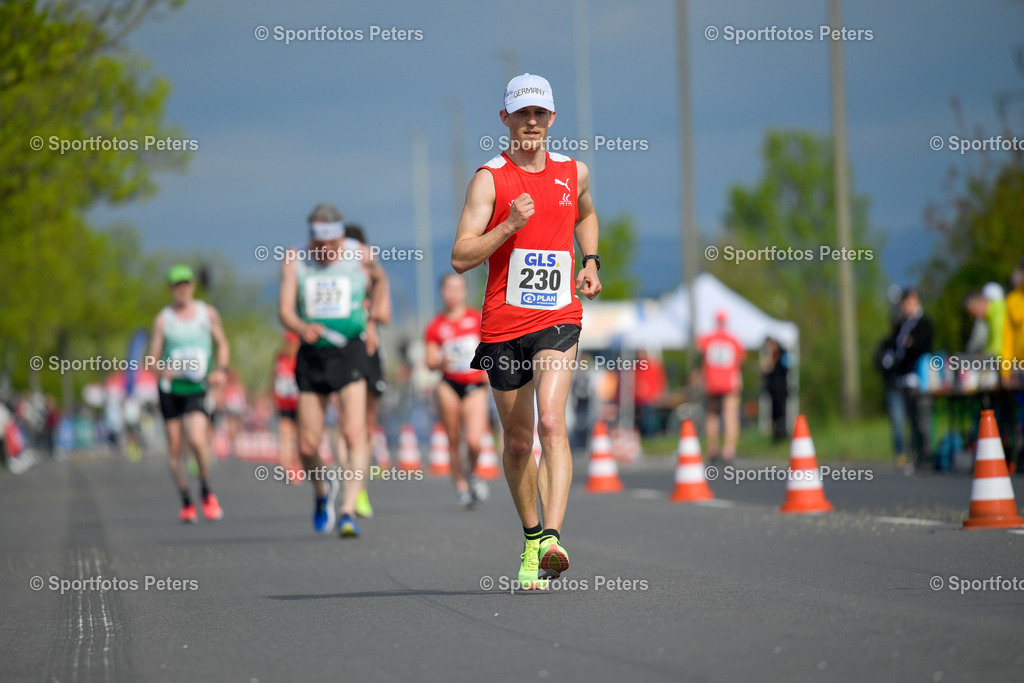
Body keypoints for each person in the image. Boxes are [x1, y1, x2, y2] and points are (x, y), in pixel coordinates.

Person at [452, 73, 601, 590]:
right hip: (502, 324)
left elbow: (586, 214)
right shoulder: (489, 180)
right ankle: (533, 538)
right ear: (505, 120)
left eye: (540, 113)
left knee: (552, 423)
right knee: (518, 444)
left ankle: (554, 539)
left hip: (559, 315)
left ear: (553, 118)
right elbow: (459, 257)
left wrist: (591, 260)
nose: (531, 122)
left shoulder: (573, 171)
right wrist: (508, 227)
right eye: (522, 114)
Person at [278, 204, 387, 537]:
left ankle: (348, 510)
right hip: (313, 354)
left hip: (350, 350)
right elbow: (284, 310)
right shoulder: (295, 260)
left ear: (341, 236)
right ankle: (323, 492)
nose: (325, 250)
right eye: (318, 243)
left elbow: (380, 282)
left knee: (354, 432)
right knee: (308, 446)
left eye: (331, 243)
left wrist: (370, 321)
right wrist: (300, 326)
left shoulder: (361, 255)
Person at [148, 264, 229, 523]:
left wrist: (222, 370)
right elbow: (152, 358)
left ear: (192, 286)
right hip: (172, 389)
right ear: (170, 289)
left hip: (197, 387)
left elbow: (222, 344)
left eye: (185, 284)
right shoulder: (164, 319)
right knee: (175, 448)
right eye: (176, 285)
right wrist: (162, 369)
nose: (181, 289)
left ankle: (205, 487)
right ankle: (185, 499)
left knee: (196, 439)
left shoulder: (208, 314)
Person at [333, 224, 392, 518]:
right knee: (345, 424)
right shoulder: (334, 275)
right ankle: (349, 486)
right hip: (341, 351)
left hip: (369, 353)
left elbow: (386, 314)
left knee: (367, 425)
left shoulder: (373, 275)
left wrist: (368, 314)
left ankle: (361, 488)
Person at [425, 273, 491, 509]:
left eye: (458, 289)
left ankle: (472, 472)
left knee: (473, 441)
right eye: (449, 289)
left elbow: (491, 348)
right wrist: (441, 359)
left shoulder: (477, 319)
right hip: (449, 384)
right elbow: (429, 361)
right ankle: (461, 486)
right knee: (453, 438)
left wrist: (487, 369)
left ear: (464, 292)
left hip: (475, 384)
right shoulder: (436, 326)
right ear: (442, 293)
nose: (453, 294)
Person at [890, 288, 934, 473]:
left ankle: (925, 457)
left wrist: (911, 343)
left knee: (922, 419)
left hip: (920, 378)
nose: (904, 306)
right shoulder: (901, 324)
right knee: (909, 421)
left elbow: (922, 346)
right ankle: (913, 456)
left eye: (906, 302)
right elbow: (894, 346)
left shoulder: (924, 323)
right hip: (904, 379)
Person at [697, 311, 746, 462]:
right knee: (730, 415)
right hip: (729, 382)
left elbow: (700, 355)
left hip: (712, 381)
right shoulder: (733, 339)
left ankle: (713, 448)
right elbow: (740, 359)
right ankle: (729, 449)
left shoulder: (706, 338)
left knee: (712, 415)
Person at [272, 330, 302, 479]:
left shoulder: (301, 359)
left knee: (297, 434)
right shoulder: (280, 358)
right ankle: (285, 464)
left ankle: (296, 462)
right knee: (284, 431)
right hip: (283, 403)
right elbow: (274, 378)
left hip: (298, 403)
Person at [760, 337, 788, 443]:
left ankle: (782, 433)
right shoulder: (769, 355)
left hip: (781, 388)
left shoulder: (783, 354)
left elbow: (785, 368)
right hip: (772, 389)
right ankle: (775, 435)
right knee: (773, 412)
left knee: (781, 411)